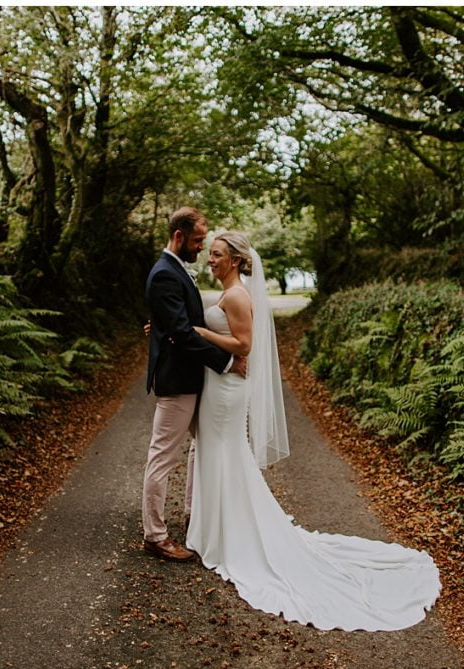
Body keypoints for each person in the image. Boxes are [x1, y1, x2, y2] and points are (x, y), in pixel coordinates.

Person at [186, 231, 441, 631]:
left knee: (225, 452)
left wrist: (200, 333)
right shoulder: (229, 292)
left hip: (227, 391)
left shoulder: (236, 296)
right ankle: (217, 530)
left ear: (235, 260)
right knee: (221, 453)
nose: (211, 259)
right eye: (211, 254)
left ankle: (227, 535)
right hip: (219, 385)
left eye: (217, 254)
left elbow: (244, 345)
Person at [142, 207, 247, 562]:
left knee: (200, 448)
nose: (202, 248)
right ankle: (155, 536)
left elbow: (177, 321)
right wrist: (227, 362)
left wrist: (160, 327)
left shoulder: (174, 270)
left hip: (193, 378)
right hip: (178, 380)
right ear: (179, 236)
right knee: (162, 455)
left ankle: (194, 516)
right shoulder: (164, 273)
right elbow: (182, 332)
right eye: (199, 241)